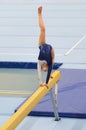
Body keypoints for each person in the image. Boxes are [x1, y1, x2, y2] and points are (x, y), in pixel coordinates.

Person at [37, 6, 55, 88]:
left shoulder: (39, 62)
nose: (45, 69)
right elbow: (48, 72)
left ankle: (39, 14)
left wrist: (42, 83)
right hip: (51, 49)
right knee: (53, 59)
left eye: (44, 69)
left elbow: (39, 73)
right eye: (46, 69)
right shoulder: (50, 64)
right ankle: (51, 73)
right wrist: (47, 82)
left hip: (42, 44)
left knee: (43, 29)